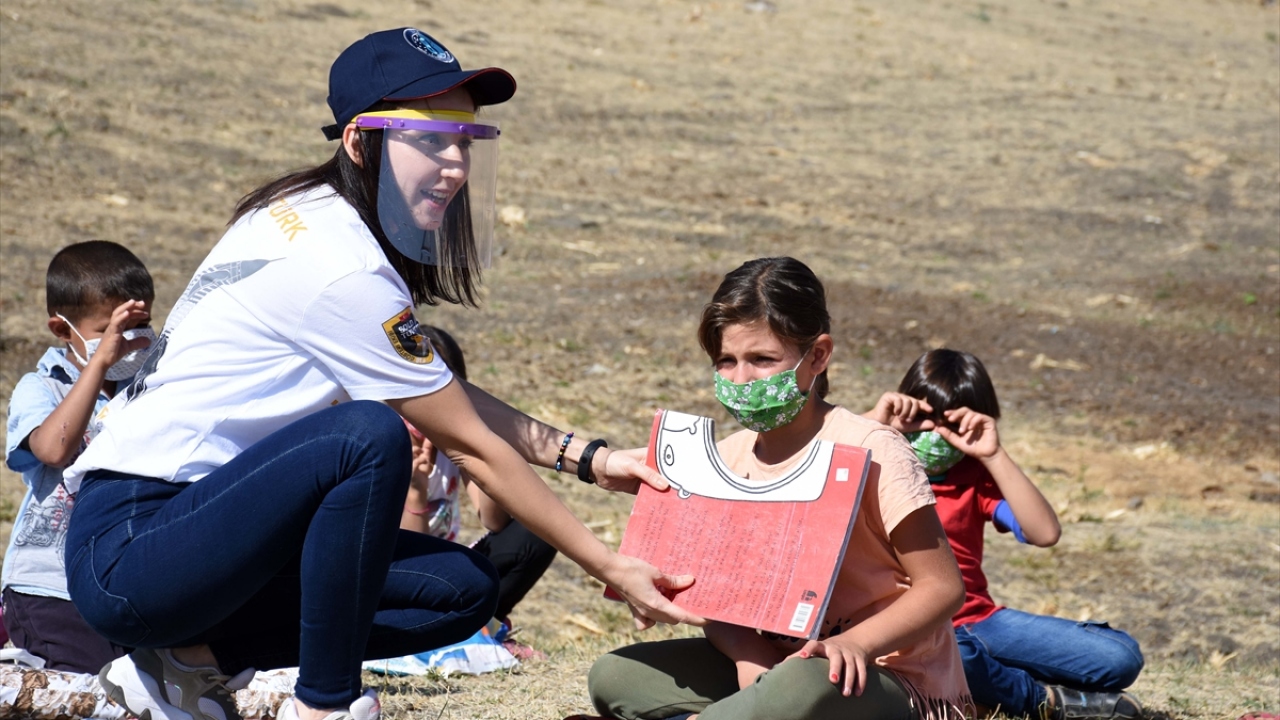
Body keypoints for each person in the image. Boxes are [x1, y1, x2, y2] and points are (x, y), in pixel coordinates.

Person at [63, 28, 701, 720]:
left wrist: (587, 458)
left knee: (460, 588)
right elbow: (466, 443)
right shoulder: (338, 265)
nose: (454, 163)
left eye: (465, 139)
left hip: (207, 542)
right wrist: (610, 566)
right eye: (429, 139)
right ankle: (326, 705)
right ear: (359, 142)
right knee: (367, 435)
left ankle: (184, 664)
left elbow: (435, 391)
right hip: (134, 548)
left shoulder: (312, 219)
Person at [584, 257, 971, 720]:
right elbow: (714, 598)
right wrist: (750, 656)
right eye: (726, 361)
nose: (741, 379)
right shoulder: (726, 458)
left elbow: (943, 587)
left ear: (819, 356)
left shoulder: (874, 450)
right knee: (615, 675)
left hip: (881, 675)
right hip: (778, 666)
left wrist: (854, 643)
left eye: (763, 359)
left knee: (800, 688)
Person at [864, 349, 1144, 720]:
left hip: (979, 623)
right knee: (953, 654)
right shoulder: (875, 461)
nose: (935, 433)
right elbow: (814, 464)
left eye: (952, 425)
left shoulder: (974, 478)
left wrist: (993, 455)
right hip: (915, 630)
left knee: (1119, 657)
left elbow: (1044, 532)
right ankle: (1038, 699)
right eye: (925, 419)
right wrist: (873, 426)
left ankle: (988, 687)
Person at [2, 240, 155, 673]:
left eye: (138, 326)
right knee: (80, 693)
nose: (127, 342)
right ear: (61, 328)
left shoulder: (149, 387)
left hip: (121, 582)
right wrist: (100, 364)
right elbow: (53, 449)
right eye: (110, 329)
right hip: (51, 589)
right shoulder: (42, 387)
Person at [399, 325, 557, 629]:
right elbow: (407, 555)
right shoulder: (387, 443)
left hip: (449, 570)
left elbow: (494, 521)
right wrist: (416, 489)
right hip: (395, 574)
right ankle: (444, 627)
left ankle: (483, 622)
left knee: (536, 529)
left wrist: (483, 454)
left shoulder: (449, 444)